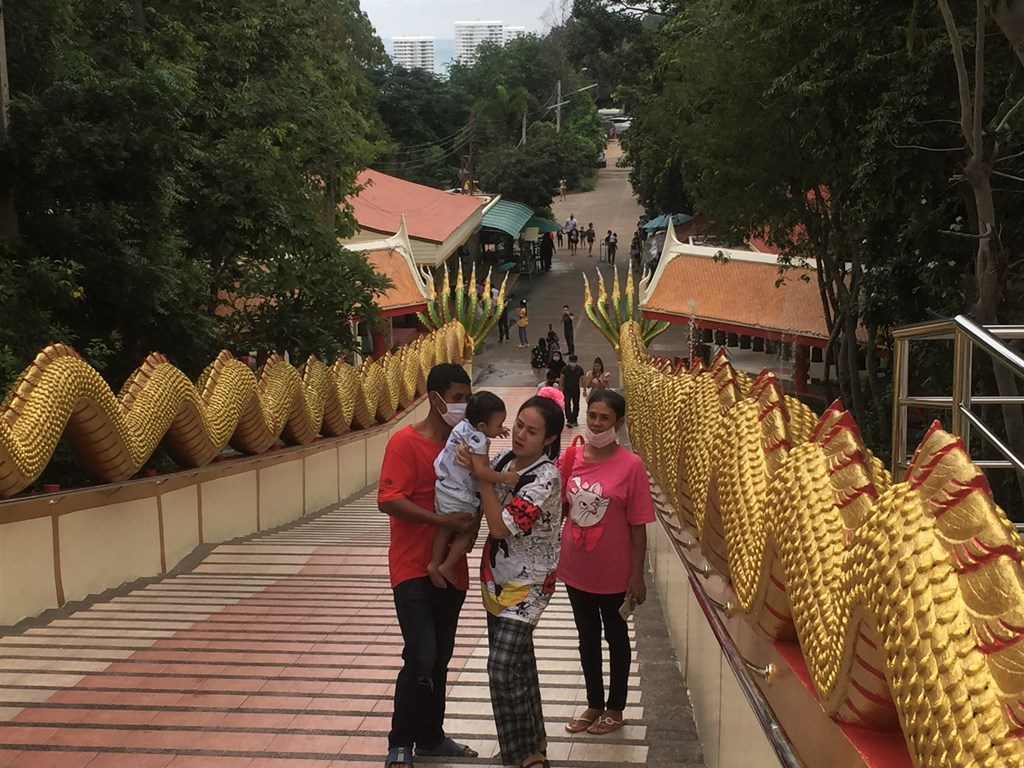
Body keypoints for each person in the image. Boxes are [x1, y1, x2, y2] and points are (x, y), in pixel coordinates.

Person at [377, 364, 480, 767]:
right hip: (411, 567)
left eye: (467, 398)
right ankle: (400, 740)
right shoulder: (405, 443)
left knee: (441, 657)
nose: (463, 406)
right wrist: (441, 522)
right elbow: (388, 499)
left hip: (452, 569)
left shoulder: (465, 446)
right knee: (420, 654)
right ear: (436, 399)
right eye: (457, 398)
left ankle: (432, 737)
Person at [559, 389, 655, 737]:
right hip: (575, 568)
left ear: (619, 423)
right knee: (586, 637)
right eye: (593, 415)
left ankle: (615, 707)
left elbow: (638, 525)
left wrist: (637, 575)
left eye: (605, 418)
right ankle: (594, 704)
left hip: (615, 573)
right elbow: (556, 503)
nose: (597, 423)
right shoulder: (571, 458)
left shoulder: (631, 466)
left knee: (615, 637)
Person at [477, 395, 565, 768]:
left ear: (548, 439)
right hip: (497, 580)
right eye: (518, 425)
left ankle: (522, 754)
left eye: (532, 431)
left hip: (529, 587)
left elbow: (500, 526)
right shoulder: (504, 461)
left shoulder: (546, 477)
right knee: (520, 665)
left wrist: (483, 479)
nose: (520, 434)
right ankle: (535, 739)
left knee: (499, 667)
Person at [429, 392, 519, 588]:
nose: (501, 427)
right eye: (498, 424)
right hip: (459, 494)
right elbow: (482, 471)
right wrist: (505, 477)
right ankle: (447, 565)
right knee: (467, 531)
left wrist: (495, 430)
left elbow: (483, 431)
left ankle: (434, 563)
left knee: (445, 528)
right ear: (482, 426)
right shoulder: (477, 438)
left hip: (444, 486)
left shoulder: (462, 426)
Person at [560, 354, 585, 427]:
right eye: (572, 361)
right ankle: (569, 420)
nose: (573, 362)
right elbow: (562, 379)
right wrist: (561, 389)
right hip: (567, 390)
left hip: (576, 389)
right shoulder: (565, 369)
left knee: (576, 404)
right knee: (567, 404)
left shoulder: (579, 369)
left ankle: (574, 419)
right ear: (569, 361)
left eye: (574, 361)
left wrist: (584, 389)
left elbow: (583, 379)